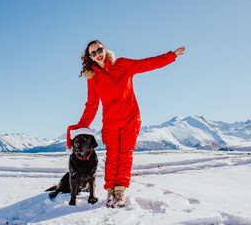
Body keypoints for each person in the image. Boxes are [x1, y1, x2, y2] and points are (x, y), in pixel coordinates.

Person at [67, 40, 185, 208]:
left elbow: (147, 63)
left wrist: (171, 56)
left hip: (130, 119)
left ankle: (120, 190)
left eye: (99, 49)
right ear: (90, 58)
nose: (97, 54)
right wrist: (81, 126)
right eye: (93, 53)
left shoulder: (122, 64)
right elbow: (92, 105)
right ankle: (110, 190)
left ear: (104, 49)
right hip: (110, 122)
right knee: (112, 157)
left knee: (125, 155)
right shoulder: (93, 78)